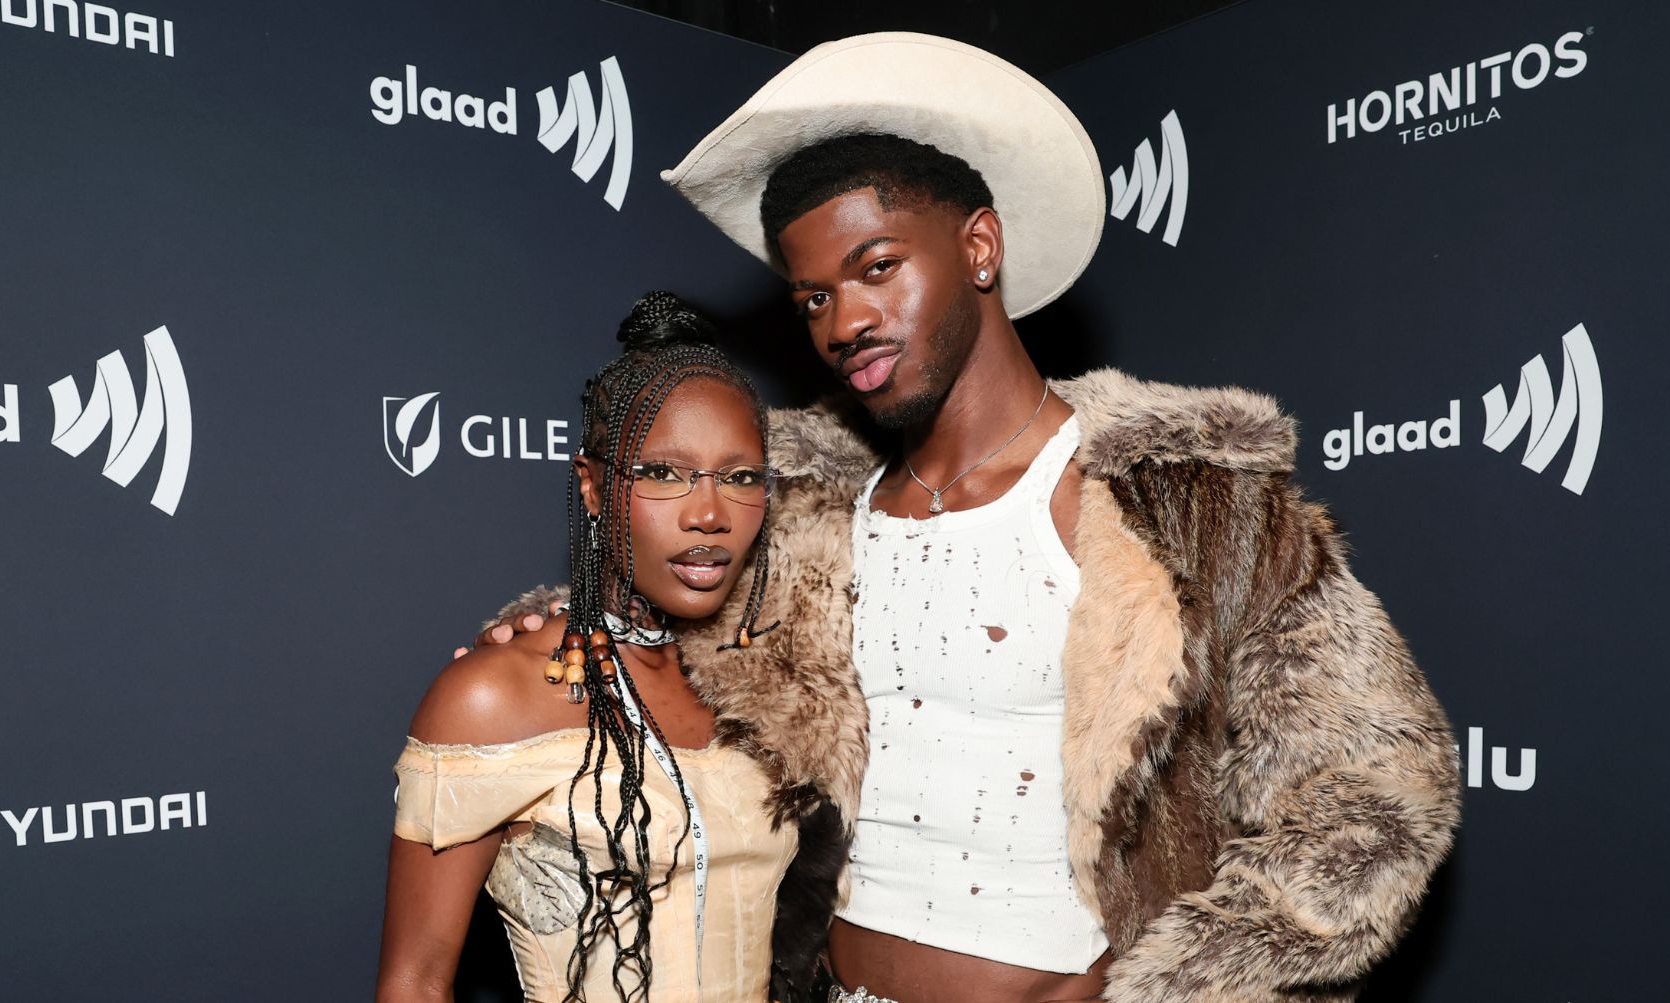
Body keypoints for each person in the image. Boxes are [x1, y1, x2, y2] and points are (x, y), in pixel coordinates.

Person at [483, 33, 1460, 1003]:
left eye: (876, 267)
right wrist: (568, 623)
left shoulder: (1189, 510)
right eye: (813, 295)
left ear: (979, 247)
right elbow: (674, 632)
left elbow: (1380, 800)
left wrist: (1174, 983)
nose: (842, 321)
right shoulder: (810, 515)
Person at [377, 292, 798, 1003]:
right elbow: (415, 982)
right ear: (593, 486)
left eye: (740, 476)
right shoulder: (494, 694)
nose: (709, 513)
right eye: (663, 472)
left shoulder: (764, 687)